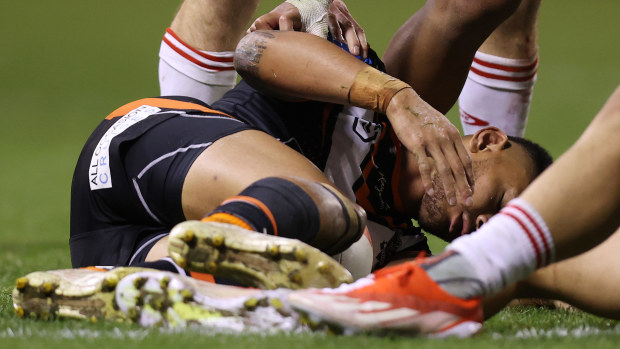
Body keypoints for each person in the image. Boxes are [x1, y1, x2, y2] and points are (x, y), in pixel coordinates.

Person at [288, 84, 620, 337]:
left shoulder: (402, 243)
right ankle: (489, 265)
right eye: (502, 202)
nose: (483, 222)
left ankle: (484, 267)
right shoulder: (379, 106)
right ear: (488, 141)